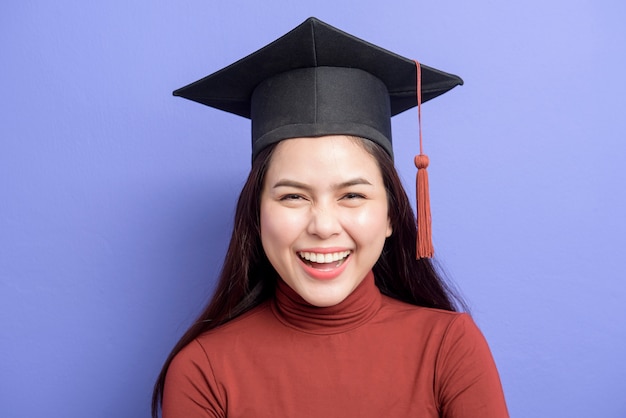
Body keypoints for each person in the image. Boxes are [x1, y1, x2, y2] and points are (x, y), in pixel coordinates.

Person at [152, 17, 509, 418]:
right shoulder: (203, 372)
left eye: (352, 195)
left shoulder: (449, 347)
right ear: (256, 213)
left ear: (392, 214)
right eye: (293, 196)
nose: (323, 226)